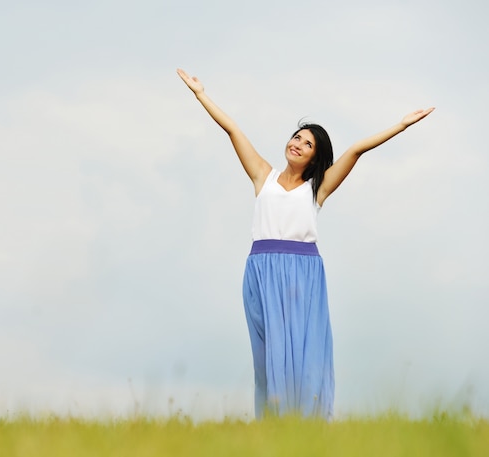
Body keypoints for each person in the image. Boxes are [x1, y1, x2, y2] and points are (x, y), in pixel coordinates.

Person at [176, 68, 434, 420]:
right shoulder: (262, 175)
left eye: (307, 143)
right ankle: (273, 427)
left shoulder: (318, 188)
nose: (297, 143)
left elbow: (356, 149)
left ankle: (308, 427)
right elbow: (233, 129)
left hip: (301, 271)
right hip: (260, 270)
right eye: (296, 137)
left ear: (315, 156)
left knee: (301, 351)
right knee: (268, 356)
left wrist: (401, 125)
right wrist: (200, 94)